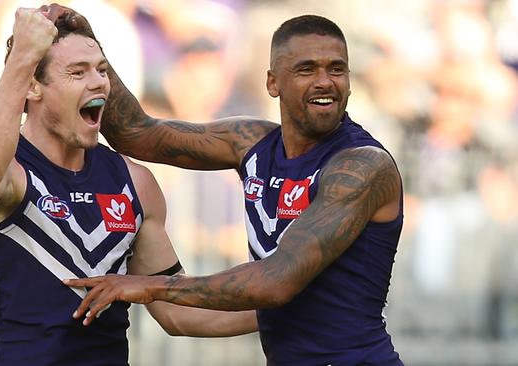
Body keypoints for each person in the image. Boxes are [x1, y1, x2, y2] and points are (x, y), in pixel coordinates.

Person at [61, 7, 405, 365]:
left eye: (337, 69)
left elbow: (277, 281)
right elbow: (135, 133)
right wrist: (89, 45)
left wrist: (151, 286)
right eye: (306, 69)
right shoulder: (251, 142)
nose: (325, 81)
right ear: (273, 83)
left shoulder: (362, 165)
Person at [0, 5, 256, 365]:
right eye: (77, 72)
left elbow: (179, 313)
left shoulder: (134, 182)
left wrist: (287, 304)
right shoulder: (11, 174)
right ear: (32, 87)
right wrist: (22, 53)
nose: (98, 82)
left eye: (100, 70)